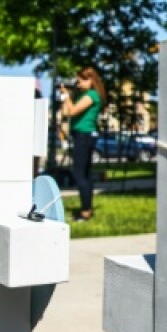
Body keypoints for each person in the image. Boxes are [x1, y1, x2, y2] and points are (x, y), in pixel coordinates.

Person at [59, 66, 105, 222]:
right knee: (84, 174)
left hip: (85, 136)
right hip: (80, 135)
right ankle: (87, 208)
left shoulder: (92, 95)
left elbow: (72, 112)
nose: (78, 83)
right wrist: (65, 97)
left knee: (79, 174)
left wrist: (67, 97)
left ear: (91, 80)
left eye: (81, 80)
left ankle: (85, 211)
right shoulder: (83, 95)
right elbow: (66, 112)